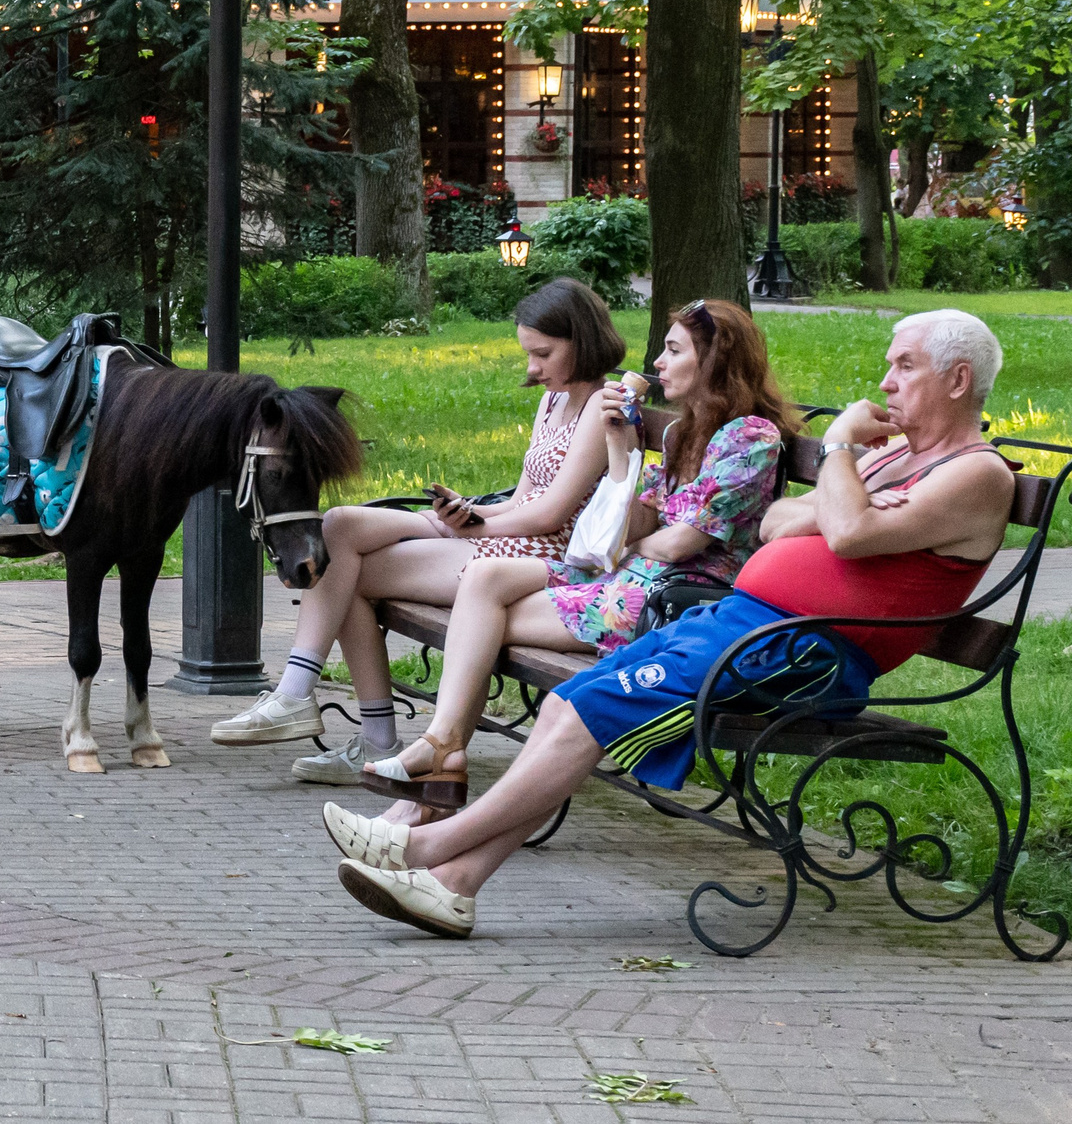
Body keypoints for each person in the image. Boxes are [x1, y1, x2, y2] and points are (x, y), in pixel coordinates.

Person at [325, 309, 1018, 940]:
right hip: (743, 624)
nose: (886, 382)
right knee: (571, 702)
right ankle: (453, 886)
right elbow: (779, 523)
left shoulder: (976, 475)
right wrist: (841, 507)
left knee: (593, 709)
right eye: (891, 364)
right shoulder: (898, 459)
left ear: (958, 380)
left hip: (801, 653)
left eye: (905, 366)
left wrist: (838, 457)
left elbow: (846, 532)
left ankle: (426, 846)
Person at [361, 298, 794, 816]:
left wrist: (630, 543)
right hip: (625, 581)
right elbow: (636, 527)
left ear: (716, 360)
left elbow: (678, 545)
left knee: (480, 623)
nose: (657, 362)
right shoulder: (682, 433)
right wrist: (620, 448)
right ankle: (441, 752)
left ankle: (434, 776)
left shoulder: (750, 437)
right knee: (485, 577)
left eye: (674, 350)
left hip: (673, 603)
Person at [210, 277, 626, 780]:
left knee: (342, 570)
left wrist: (473, 530)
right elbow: (521, 500)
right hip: (507, 535)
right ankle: (303, 698)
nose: (532, 369)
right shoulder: (553, 400)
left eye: (543, 354)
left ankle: (348, 724)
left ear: (582, 341)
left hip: (543, 557)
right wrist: (465, 511)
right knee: (340, 525)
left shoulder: (602, 405)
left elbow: (549, 516)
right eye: (528, 354)